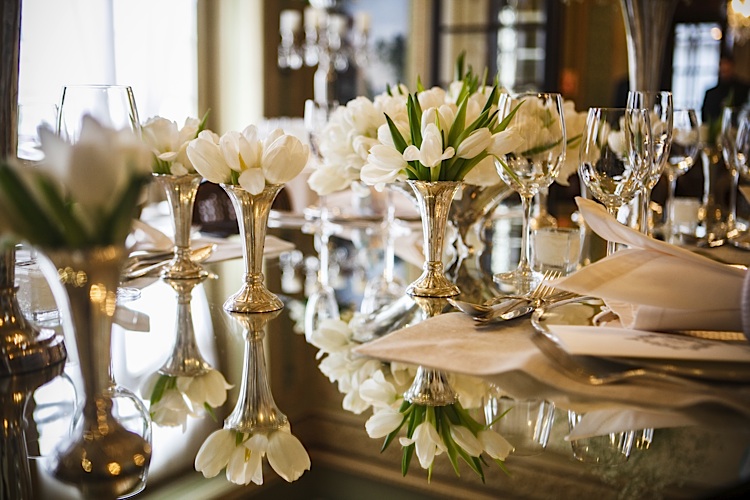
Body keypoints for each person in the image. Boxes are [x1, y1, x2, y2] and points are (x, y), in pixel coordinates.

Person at [702, 52, 750, 124]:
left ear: (732, 66)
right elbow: (705, 118)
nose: (725, 68)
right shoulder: (711, 93)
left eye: (727, 66)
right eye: (722, 65)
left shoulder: (744, 89)